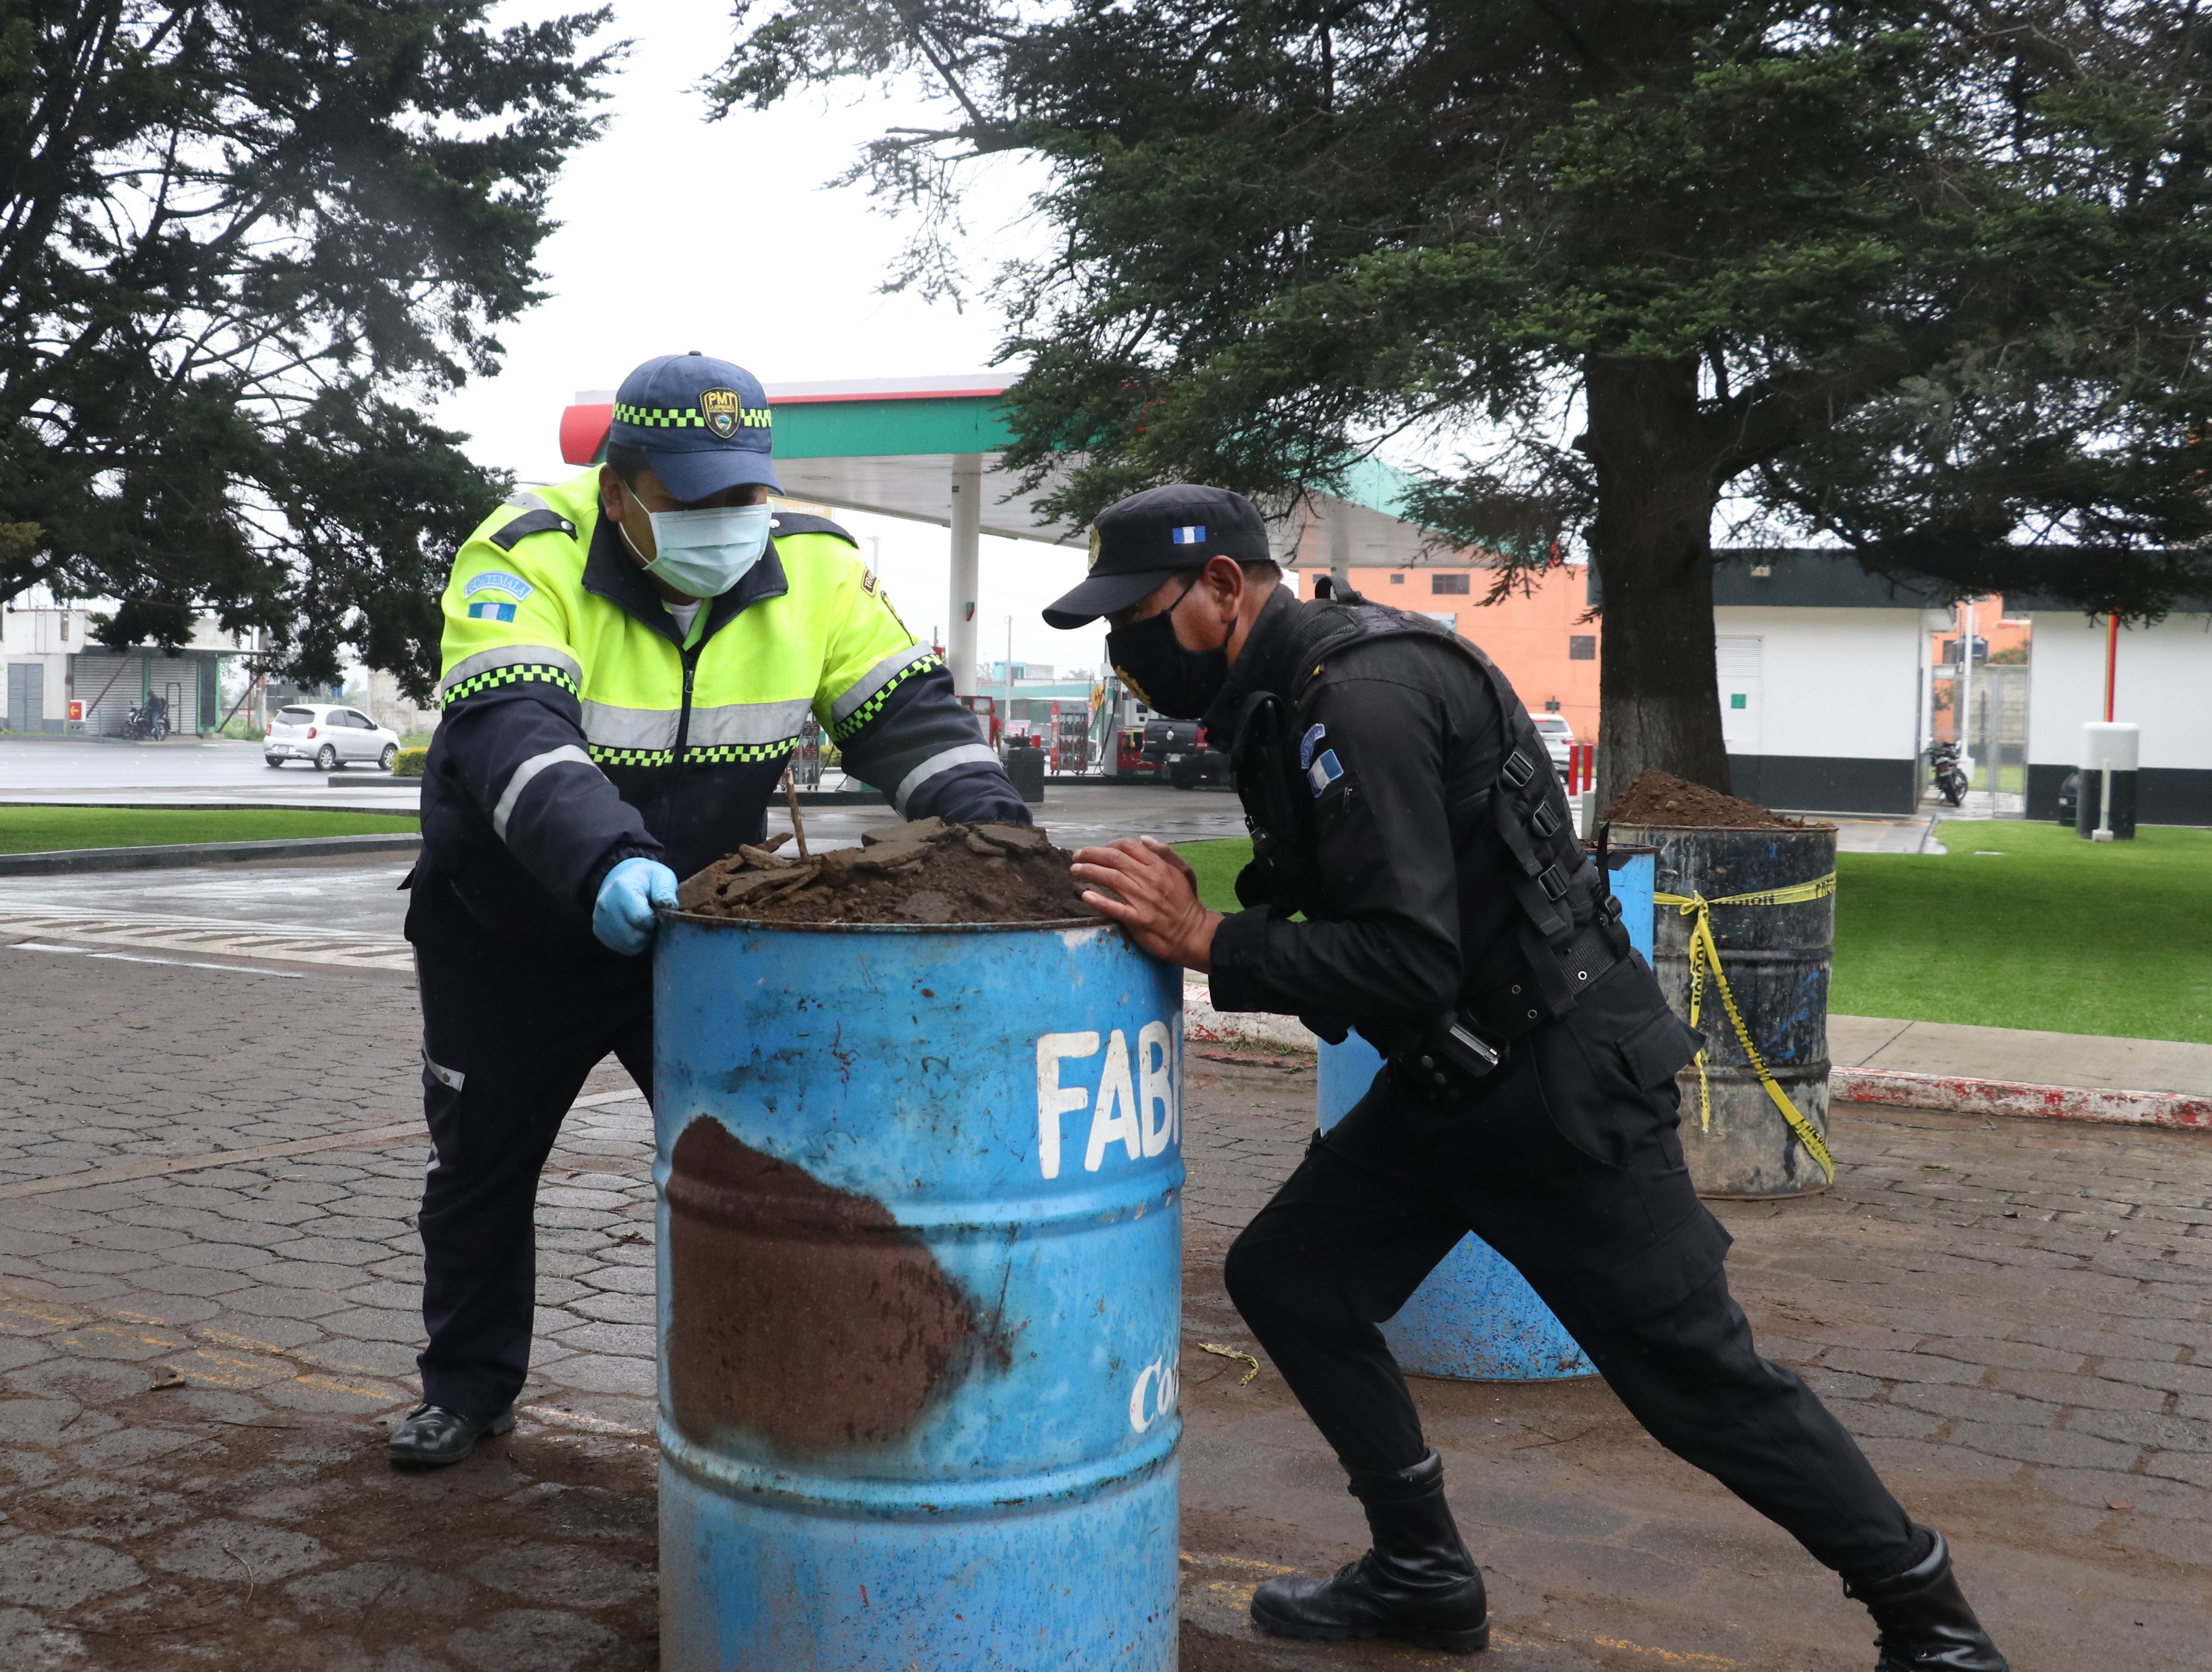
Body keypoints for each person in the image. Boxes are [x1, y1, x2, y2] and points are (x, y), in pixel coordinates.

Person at [1051, 484, 2004, 1672]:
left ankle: (1935, 1626)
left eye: (1139, 615)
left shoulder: (1358, 694)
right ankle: (1422, 1573)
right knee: (1291, 1276)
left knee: (1697, 1381)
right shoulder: (1295, 696)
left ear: (1226, 588)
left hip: (1560, 1091)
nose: (1125, 650)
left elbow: (1407, 955)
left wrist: (1211, 944)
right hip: (1459, 1082)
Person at [391, 353, 1029, 1466]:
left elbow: (910, 722)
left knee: (760, 1168)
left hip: (690, 942)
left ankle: (789, 1390)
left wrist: (1002, 841)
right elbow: (513, 739)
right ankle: (469, 1386)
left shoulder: (818, 569)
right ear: (622, 488)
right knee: (482, 1170)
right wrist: (603, 862)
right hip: (507, 934)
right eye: (696, 497)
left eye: (746, 494)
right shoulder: (524, 552)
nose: (729, 521)